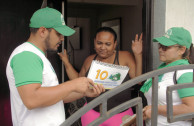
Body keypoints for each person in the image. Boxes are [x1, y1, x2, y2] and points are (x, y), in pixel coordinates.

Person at [6, 7, 105, 126]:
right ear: (42, 31)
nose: (62, 38)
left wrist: (84, 92)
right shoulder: (26, 55)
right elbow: (31, 99)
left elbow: (54, 97)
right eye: (58, 34)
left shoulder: (37, 56)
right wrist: (72, 84)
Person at [58, 26, 143, 126]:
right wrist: (66, 62)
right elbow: (78, 79)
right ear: (94, 42)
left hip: (120, 114)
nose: (103, 47)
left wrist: (138, 54)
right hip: (91, 113)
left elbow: (138, 80)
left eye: (108, 44)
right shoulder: (89, 60)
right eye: (99, 43)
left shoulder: (125, 57)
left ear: (115, 44)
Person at [140, 27, 194, 126]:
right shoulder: (162, 69)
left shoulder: (184, 72)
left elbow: (191, 109)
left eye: (166, 47)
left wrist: (156, 109)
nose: (160, 49)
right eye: (160, 45)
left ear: (181, 50)